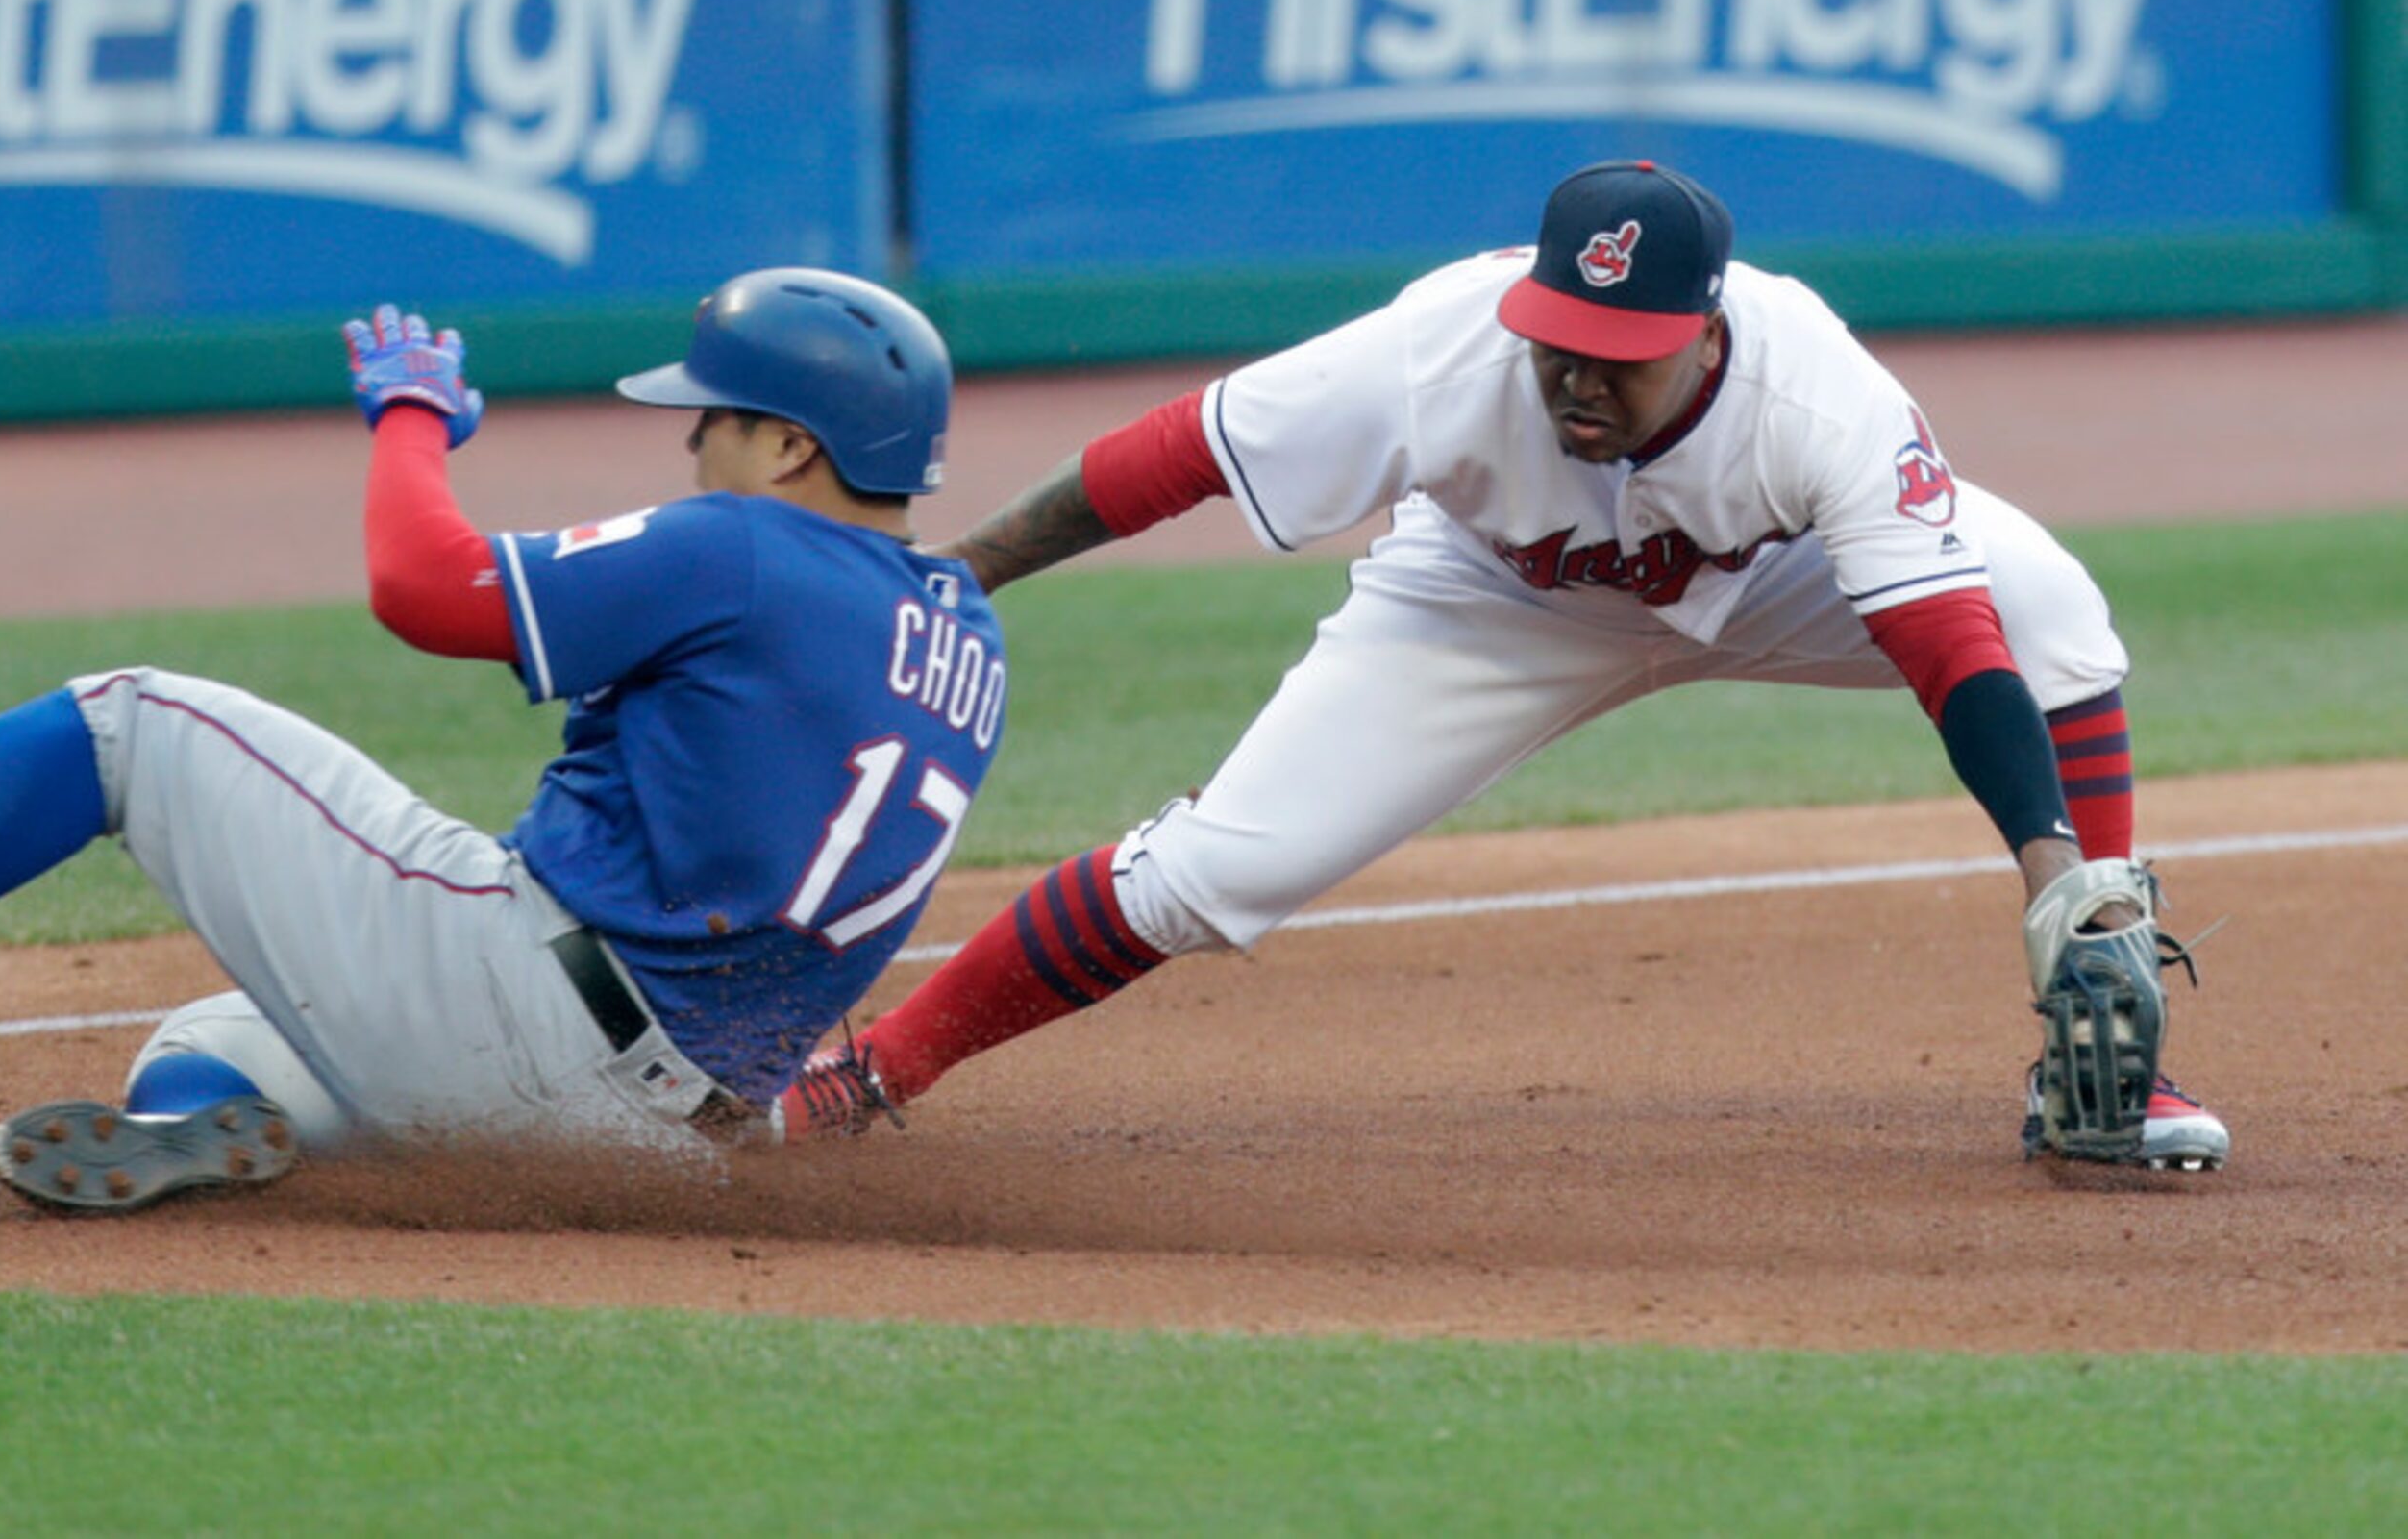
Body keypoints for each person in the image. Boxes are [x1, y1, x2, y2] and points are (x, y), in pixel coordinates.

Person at [778, 160, 2225, 1173]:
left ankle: (2098, 1069)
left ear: (1709, 327)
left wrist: (2051, 871)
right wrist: (957, 576)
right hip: (1491, 597)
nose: (1579, 375)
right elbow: (1173, 456)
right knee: (1210, 874)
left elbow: (1946, 643)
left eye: (1622, 353)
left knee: (2043, 608)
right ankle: (875, 1067)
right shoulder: (1439, 344)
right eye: (1561, 343)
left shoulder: (1819, 392)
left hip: (1771, 577)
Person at [0, 268, 1006, 1211]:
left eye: (718, 417)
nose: (692, 440)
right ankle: (212, 1130)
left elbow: (426, 586)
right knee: (214, 1037)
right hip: (660, 1141)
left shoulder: (742, 547)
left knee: (133, 722)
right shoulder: (971, 647)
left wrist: (412, 422)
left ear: (795, 445)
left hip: (515, 1004)